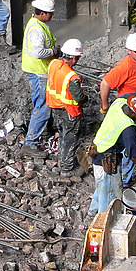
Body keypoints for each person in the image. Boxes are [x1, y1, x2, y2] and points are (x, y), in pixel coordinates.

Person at [99, 33, 136, 186]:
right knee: (130, 146)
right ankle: (125, 179)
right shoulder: (125, 66)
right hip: (131, 111)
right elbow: (105, 83)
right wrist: (105, 106)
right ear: (129, 51)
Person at [89, 94, 136, 214]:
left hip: (97, 152)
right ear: (134, 114)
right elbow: (135, 157)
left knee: (101, 187)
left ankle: (92, 211)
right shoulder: (128, 128)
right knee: (110, 195)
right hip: (107, 159)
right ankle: (104, 221)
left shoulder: (119, 102)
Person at [46, 39, 88, 178]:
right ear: (74, 58)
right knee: (70, 140)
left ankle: (62, 161)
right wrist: (85, 97)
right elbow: (79, 97)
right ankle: (67, 169)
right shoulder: (72, 77)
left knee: (63, 136)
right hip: (70, 112)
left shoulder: (54, 64)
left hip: (55, 107)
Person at [21, 0, 58, 150]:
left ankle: (45, 130)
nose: (52, 15)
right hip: (38, 73)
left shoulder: (35, 23)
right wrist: (54, 52)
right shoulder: (37, 29)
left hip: (39, 71)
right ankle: (30, 142)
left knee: (43, 104)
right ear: (43, 13)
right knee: (43, 107)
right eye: (50, 12)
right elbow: (38, 53)